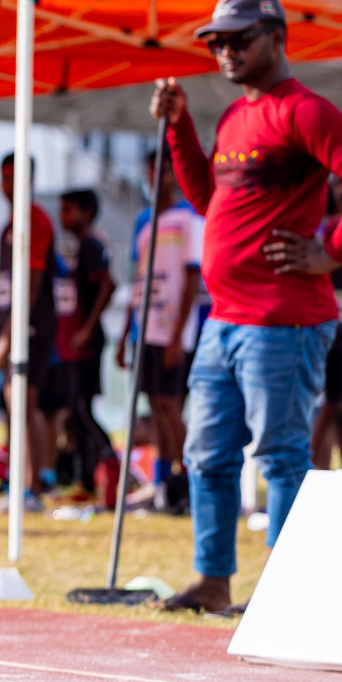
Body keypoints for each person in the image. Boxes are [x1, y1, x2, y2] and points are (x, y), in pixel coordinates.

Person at [152, 0, 342, 614]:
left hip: (283, 322)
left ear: (276, 37)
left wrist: (334, 251)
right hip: (225, 320)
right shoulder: (238, 116)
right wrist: (180, 126)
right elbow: (208, 202)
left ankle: (284, 595)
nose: (226, 51)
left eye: (240, 38)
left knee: (281, 454)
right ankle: (213, 580)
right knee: (206, 453)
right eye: (217, 41)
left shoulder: (305, 111)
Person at [115, 150, 203, 513]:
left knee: (170, 406)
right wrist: (126, 333)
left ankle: (193, 481)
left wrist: (179, 333)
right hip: (144, 329)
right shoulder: (143, 222)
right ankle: (163, 483)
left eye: (163, 171)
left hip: (171, 331)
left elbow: (192, 278)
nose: (157, 178)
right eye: (151, 171)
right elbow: (138, 280)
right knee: (154, 405)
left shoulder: (189, 219)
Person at [0, 153, 56, 513]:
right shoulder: (8, 225)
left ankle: (31, 488)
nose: (8, 185)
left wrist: (10, 336)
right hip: (12, 324)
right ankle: (17, 484)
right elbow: (4, 289)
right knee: (15, 404)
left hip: (32, 324)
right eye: (4, 177)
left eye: (15, 177)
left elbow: (31, 282)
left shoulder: (35, 221)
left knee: (25, 402)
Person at [56, 189, 117, 497]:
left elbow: (108, 284)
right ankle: (86, 480)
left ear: (86, 212)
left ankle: (111, 460)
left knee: (82, 409)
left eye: (68, 210)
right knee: (76, 409)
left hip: (86, 343)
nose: (62, 216)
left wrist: (86, 328)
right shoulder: (81, 247)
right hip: (73, 342)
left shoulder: (91, 245)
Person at [314, 180, 342, 469]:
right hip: (325, 331)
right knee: (328, 408)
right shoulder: (320, 230)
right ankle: (319, 479)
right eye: (337, 183)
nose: (341, 191)